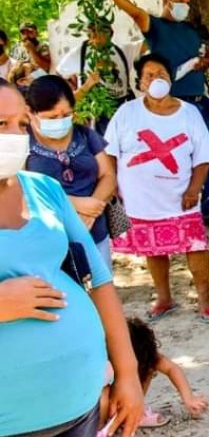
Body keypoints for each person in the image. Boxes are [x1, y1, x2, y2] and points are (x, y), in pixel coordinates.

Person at [0, 83, 144, 437]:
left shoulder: (44, 190)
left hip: (80, 404)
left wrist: (128, 374)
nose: (15, 136)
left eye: (21, 124)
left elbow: (98, 280)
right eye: (1, 124)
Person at [93, 0, 209, 230]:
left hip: (199, 104)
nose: (184, 7)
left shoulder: (190, 32)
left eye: (187, 3)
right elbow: (134, 12)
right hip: (169, 107)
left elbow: (201, 57)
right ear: (166, 1)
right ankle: (162, 208)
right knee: (166, 158)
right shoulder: (155, 27)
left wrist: (205, 62)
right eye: (179, 2)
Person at [105, 53, 209, 323]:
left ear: (171, 80)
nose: (156, 79)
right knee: (153, 248)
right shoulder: (127, 112)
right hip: (140, 200)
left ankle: (205, 299)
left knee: (195, 245)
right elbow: (109, 152)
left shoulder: (189, 113)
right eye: (149, 75)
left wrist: (194, 190)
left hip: (181, 197)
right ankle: (164, 298)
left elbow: (203, 157)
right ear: (140, 82)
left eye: (162, 74)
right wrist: (112, 183)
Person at [25, 75, 118, 270]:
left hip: (94, 233)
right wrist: (76, 204)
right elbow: (20, 189)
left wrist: (92, 210)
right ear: (31, 113)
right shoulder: (22, 142)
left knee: (101, 285)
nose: (60, 121)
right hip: (47, 239)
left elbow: (108, 176)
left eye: (66, 115)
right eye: (52, 117)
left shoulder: (85, 135)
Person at [99, 318, 209, 429]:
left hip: (127, 396)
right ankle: (101, 425)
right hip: (101, 404)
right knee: (104, 386)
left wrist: (189, 398)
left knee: (149, 367)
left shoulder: (145, 355)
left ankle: (134, 411)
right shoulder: (103, 359)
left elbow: (171, 368)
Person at [56, 18, 143, 134]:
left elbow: (151, 42)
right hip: (93, 112)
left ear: (111, 33)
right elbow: (59, 77)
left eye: (102, 31)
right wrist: (79, 91)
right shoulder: (79, 54)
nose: (97, 36)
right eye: (92, 31)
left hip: (122, 108)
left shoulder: (124, 51)